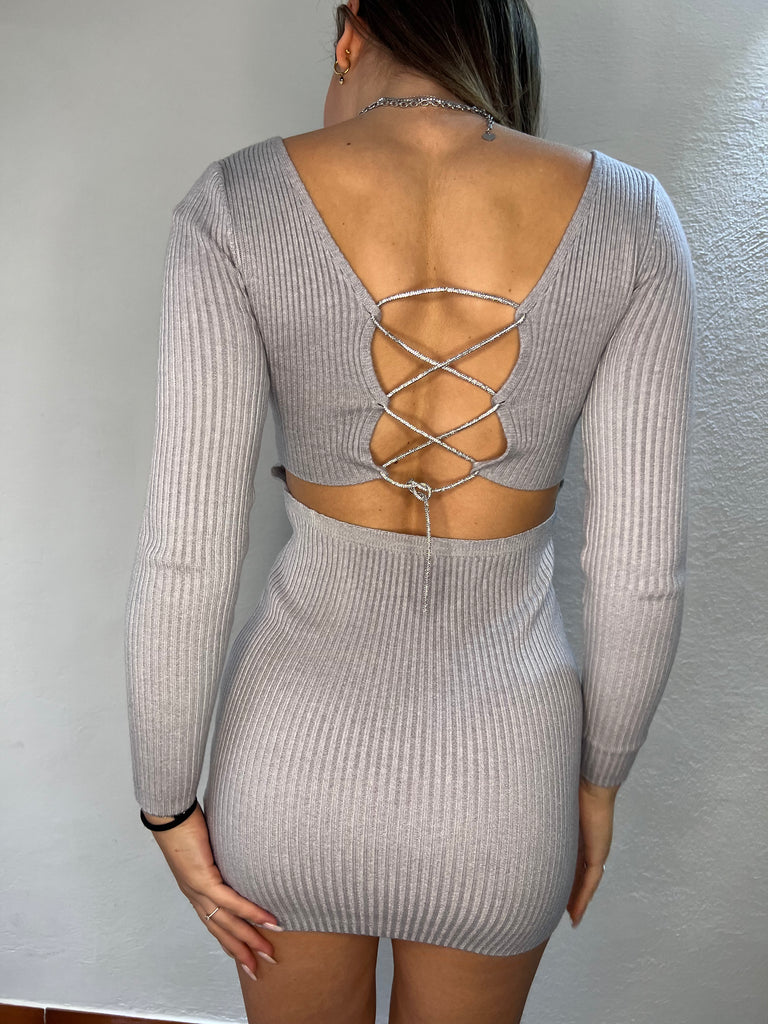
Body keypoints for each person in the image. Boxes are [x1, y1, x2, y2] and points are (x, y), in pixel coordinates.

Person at [123, 1, 696, 1021]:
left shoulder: (236, 203)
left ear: (351, 29)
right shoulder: (633, 218)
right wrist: (599, 781)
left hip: (287, 766)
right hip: (506, 781)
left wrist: (167, 803)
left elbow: (186, 557)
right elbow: (639, 575)